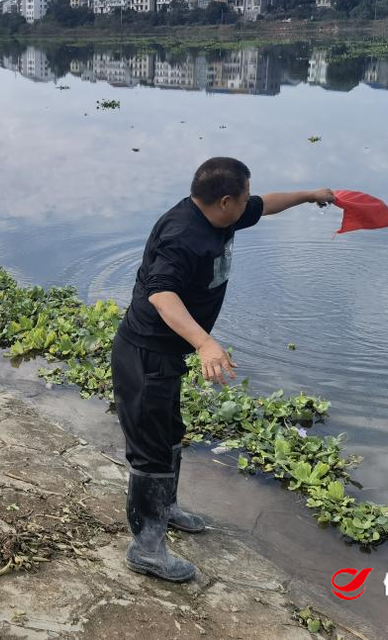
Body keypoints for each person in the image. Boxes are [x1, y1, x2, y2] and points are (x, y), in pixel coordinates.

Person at [112, 156, 333, 582]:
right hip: (144, 356)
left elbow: (267, 204)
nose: (251, 201)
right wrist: (205, 343)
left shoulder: (218, 214)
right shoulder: (183, 234)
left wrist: (311, 196)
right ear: (226, 200)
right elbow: (161, 295)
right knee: (150, 452)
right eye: (245, 195)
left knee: (171, 435)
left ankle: (167, 509)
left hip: (166, 356)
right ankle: (146, 548)